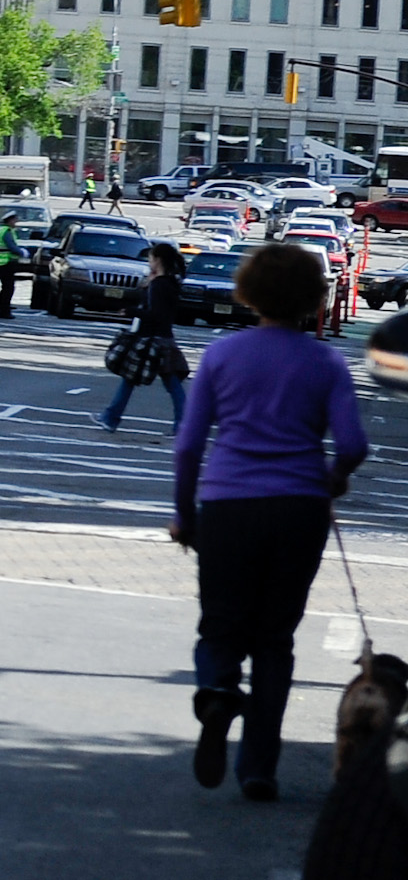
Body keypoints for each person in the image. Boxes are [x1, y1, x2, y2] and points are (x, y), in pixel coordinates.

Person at [175, 242, 370, 801]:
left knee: (220, 624)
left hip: (229, 504)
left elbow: (188, 447)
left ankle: (216, 689)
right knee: (275, 640)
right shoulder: (326, 362)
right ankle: (259, 766)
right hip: (299, 508)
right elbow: (354, 443)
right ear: (313, 299)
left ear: (249, 292)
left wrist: (183, 513)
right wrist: (331, 479)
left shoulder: (222, 355)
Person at [100, 242, 190, 430]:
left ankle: (111, 418)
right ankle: (111, 417)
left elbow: (155, 313)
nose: (148, 262)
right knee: (167, 383)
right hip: (164, 337)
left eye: (150, 259)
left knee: (150, 380)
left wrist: (132, 311)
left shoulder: (159, 285)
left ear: (157, 260)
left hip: (152, 339)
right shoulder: (171, 283)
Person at [0, 206, 25, 319]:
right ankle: (4, 311)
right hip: (6, 263)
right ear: (10, 220)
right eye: (15, 220)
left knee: (6, 288)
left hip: (1, 263)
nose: (16, 222)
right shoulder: (7, 231)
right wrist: (22, 252)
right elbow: (11, 246)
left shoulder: (1, 230)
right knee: (8, 288)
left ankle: (3, 310)